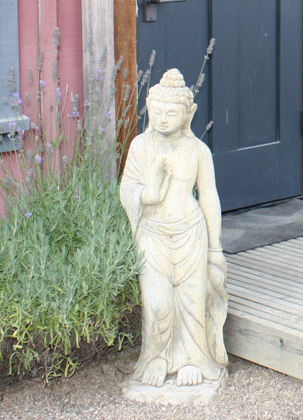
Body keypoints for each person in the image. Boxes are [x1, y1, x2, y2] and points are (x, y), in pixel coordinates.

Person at [120, 69, 228, 389]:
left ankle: (192, 359)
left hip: (191, 234)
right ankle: (156, 358)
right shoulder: (140, 146)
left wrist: (215, 246)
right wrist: (145, 194)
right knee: (157, 302)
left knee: (192, 302)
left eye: (172, 113)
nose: (164, 119)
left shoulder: (198, 151)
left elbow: (209, 198)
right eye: (158, 112)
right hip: (152, 235)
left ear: (187, 114)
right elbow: (126, 188)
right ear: (149, 110)